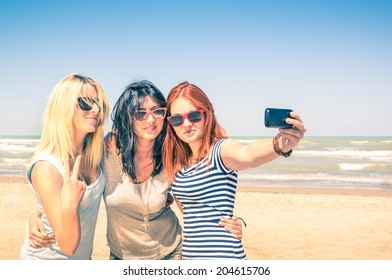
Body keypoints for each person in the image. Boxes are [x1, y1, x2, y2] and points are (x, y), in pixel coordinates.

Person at [27, 80, 243, 260]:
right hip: (122, 257)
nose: (151, 120)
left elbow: (195, 201)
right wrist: (37, 213)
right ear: (128, 118)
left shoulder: (172, 155)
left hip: (171, 253)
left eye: (158, 112)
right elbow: (62, 184)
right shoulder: (105, 150)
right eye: (140, 114)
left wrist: (227, 224)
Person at [162, 81, 307, 259]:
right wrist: (235, 220)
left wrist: (281, 144)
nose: (186, 124)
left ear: (207, 113)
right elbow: (194, 213)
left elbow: (247, 154)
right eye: (177, 119)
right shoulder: (179, 164)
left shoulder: (220, 150)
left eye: (193, 116)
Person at [19, 73, 110, 259]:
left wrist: (36, 214)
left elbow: (48, 207)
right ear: (63, 106)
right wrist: (70, 204)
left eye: (99, 104)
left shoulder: (94, 153)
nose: (95, 110)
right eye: (85, 102)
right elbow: (68, 247)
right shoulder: (46, 167)